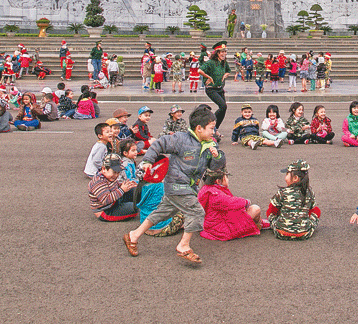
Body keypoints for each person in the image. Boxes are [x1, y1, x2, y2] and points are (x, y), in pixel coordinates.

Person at [122, 104, 225, 264]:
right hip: (176, 184)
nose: (213, 132)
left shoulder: (210, 144)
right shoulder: (181, 139)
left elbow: (216, 167)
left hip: (189, 186)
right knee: (197, 212)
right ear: (199, 128)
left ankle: (133, 235)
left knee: (163, 212)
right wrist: (148, 161)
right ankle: (184, 246)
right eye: (211, 128)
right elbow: (159, 144)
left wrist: (217, 156)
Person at [198, 167, 262, 241]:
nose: (228, 180)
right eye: (226, 178)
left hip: (212, 224)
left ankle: (257, 224)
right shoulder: (215, 195)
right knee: (255, 209)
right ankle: (257, 224)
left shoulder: (206, 189)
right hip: (221, 230)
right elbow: (231, 202)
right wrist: (246, 202)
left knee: (244, 210)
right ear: (218, 181)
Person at [267, 159, 320, 240]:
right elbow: (313, 210)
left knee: (272, 212)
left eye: (287, 174)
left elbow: (272, 209)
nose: (285, 177)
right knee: (316, 211)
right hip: (304, 234)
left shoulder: (282, 192)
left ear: (295, 178)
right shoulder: (309, 192)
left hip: (281, 233)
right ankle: (302, 226)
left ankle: (283, 225)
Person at [89, 153, 138, 222]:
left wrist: (126, 185)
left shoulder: (109, 177)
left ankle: (146, 202)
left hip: (114, 201)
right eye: (114, 172)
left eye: (118, 173)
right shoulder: (98, 182)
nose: (116, 175)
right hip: (105, 210)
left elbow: (115, 185)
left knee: (134, 191)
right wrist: (122, 189)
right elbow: (106, 200)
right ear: (104, 169)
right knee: (134, 207)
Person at [201, 42, 231, 141]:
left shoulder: (223, 62)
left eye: (225, 52)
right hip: (211, 89)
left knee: (224, 108)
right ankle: (210, 124)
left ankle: (214, 128)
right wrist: (208, 77)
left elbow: (228, 71)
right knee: (222, 106)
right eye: (222, 52)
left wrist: (225, 75)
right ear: (217, 53)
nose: (224, 54)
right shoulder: (211, 62)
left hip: (220, 89)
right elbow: (200, 70)